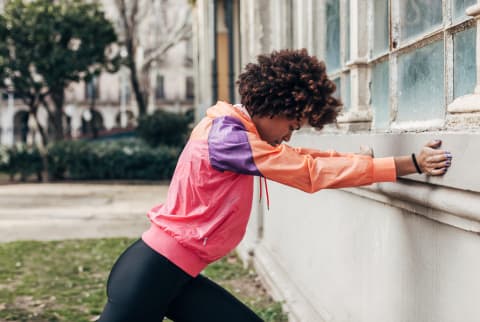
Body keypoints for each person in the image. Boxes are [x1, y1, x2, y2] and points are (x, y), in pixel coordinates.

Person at [97, 49, 452, 322]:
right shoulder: (228, 140)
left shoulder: (235, 129)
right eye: (292, 123)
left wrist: (361, 163)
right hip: (151, 275)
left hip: (169, 273)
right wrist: (411, 164)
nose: (288, 134)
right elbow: (307, 171)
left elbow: (300, 156)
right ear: (274, 106)